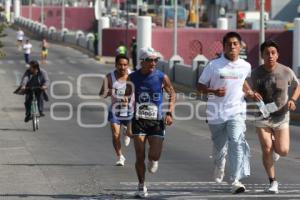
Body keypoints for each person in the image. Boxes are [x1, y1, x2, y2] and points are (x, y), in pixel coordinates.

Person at [197, 32, 261, 194]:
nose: (232, 47)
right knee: (220, 147)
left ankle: (235, 180)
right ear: (224, 46)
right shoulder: (214, 65)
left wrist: (251, 93)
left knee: (237, 142)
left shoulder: (245, 66)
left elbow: (243, 82)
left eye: (235, 44)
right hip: (216, 113)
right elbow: (200, 86)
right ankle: (219, 163)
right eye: (229, 44)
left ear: (240, 46)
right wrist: (213, 91)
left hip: (237, 111)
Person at [251, 40, 300, 194]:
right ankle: (273, 182)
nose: (270, 56)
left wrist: (292, 100)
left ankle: (276, 148)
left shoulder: (286, 71)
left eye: (273, 53)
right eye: (267, 53)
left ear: (277, 55)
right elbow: (247, 89)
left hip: (281, 116)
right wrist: (252, 94)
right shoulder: (256, 73)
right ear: (262, 55)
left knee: (283, 150)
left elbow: (298, 85)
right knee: (266, 149)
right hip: (262, 116)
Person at [127, 47, 176, 198]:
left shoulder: (162, 77)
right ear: (142, 61)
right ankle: (141, 186)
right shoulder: (133, 77)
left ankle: (153, 159)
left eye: (156, 60)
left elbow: (172, 93)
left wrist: (169, 112)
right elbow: (128, 95)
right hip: (139, 120)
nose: (154, 63)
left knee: (154, 156)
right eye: (150, 60)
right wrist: (125, 100)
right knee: (139, 155)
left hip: (156, 121)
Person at [99, 54, 133, 166]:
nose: (122, 67)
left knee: (131, 133)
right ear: (116, 65)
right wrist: (112, 91)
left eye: (125, 65)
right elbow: (102, 94)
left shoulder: (133, 76)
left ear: (128, 65)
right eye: (120, 65)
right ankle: (120, 156)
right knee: (115, 134)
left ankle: (128, 132)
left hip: (131, 110)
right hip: (115, 110)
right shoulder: (109, 77)